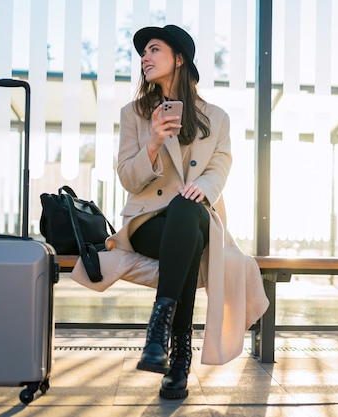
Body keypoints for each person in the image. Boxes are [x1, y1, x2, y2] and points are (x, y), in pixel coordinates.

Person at [109, 24, 239, 400]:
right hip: (148, 222)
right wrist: (151, 142)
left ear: (179, 58)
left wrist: (206, 188)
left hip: (193, 213)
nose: (144, 59)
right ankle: (179, 355)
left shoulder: (216, 117)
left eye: (153, 50)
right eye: (143, 54)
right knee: (190, 233)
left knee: (189, 210)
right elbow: (128, 179)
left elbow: (220, 165)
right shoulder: (134, 114)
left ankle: (158, 337)